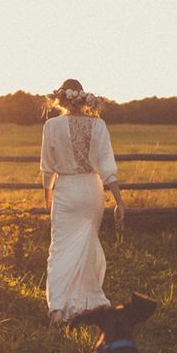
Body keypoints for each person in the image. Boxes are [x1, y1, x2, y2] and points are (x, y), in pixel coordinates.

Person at [40, 79, 124, 326]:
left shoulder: (51, 125)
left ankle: (58, 308)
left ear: (61, 99)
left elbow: (47, 168)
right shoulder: (99, 126)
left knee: (60, 249)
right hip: (91, 190)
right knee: (86, 246)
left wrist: (48, 197)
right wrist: (119, 201)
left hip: (66, 190)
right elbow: (108, 167)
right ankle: (85, 302)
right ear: (84, 98)